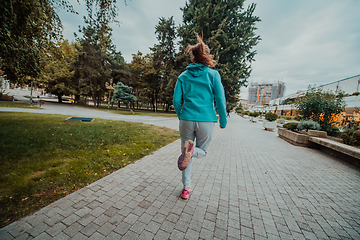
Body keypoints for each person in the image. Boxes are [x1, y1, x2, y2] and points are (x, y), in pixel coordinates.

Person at [173, 33, 227, 200]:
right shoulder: (213, 75)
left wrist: (181, 116)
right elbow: (220, 98)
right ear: (205, 56)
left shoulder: (183, 76)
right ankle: (191, 152)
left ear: (193, 58)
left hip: (187, 119)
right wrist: (223, 120)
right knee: (202, 151)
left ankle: (186, 188)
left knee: (185, 154)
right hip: (206, 120)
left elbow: (176, 100)